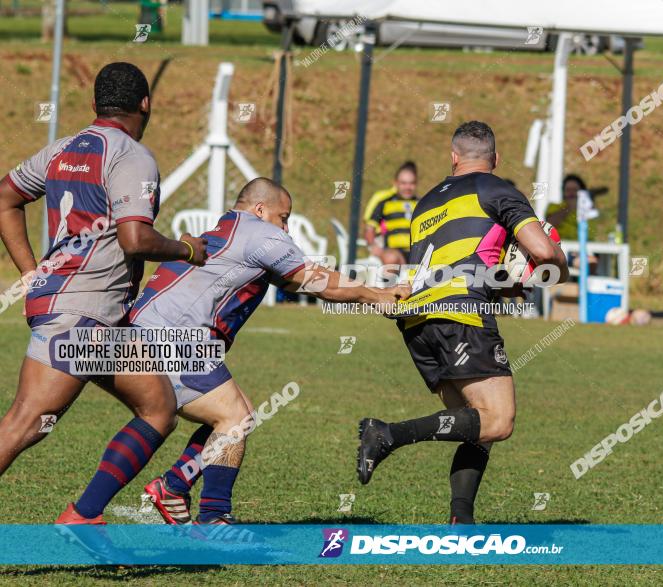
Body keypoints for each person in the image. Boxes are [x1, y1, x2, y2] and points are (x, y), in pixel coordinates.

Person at [131, 178, 409, 525]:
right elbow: (316, 280)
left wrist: (374, 292)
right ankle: (214, 517)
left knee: (238, 411)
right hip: (172, 337)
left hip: (152, 330)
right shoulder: (259, 233)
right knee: (233, 416)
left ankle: (173, 485)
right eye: (284, 217)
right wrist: (377, 296)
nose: (286, 228)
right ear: (260, 210)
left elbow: (299, 281)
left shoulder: (230, 230)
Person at [0, 62, 208, 524]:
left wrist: (32, 274)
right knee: (22, 426)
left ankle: (83, 515)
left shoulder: (62, 149)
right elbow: (136, 238)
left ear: (95, 106)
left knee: (158, 407)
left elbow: (4, 197)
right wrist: (187, 248)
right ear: (145, 104)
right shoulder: (133, 155)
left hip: (94, 319)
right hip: (80, 314)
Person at [356, 121, 568, 524]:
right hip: (460, 314)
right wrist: (560, 260)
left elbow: (449, 262)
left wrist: (504, 282)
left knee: (475, 425)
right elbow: (541, 248)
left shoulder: (427, 202)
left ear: (454, 158)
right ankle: (386, 434)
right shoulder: (498, 189)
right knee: (497, 421)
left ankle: (461, 519)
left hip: (418, 320)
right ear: (495, 159)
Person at [364, 161, 419, 270]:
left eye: (411, 183)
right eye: (403, 183)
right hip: (394, 251)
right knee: (391, 258)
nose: (408, 187)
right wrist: (373, 246)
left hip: (417, 253)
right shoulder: (385, 203)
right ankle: (391, 286)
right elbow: (369, 229)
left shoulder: (421, 204)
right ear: (395, 183)